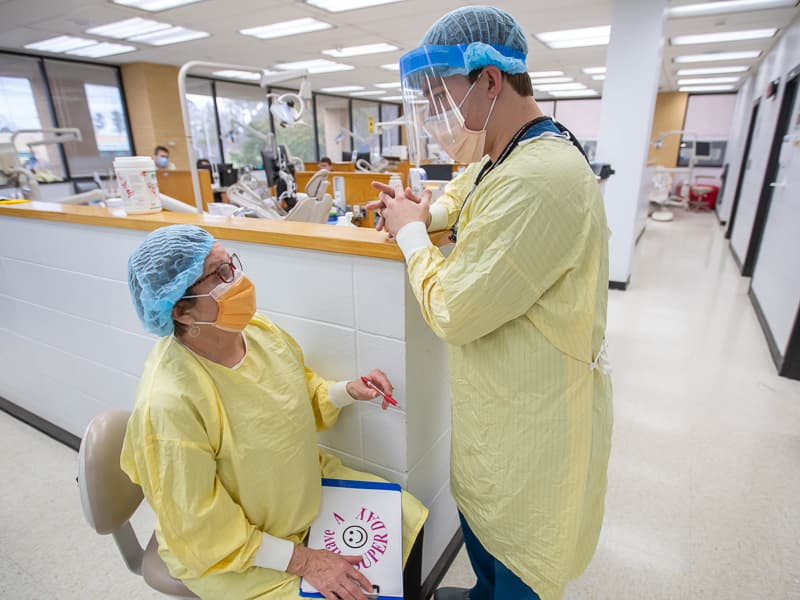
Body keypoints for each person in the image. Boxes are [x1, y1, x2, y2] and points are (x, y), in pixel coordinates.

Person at [366, 7, 613, 600]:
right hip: (496, 425)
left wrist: (410, 235)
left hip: (532, 440)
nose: (431, 116)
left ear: (490, 81)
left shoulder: (540, 177)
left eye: (437, 97)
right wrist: (429, 213)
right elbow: (467, 189)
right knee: (487, 568)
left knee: (517, 575)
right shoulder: (507, 152)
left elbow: (453, 309)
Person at [122, 224, 427, 600]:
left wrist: (348, 391)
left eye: (230, 264)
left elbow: (297, 395)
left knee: (407, 516)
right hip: (238, 552)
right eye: (219, 275)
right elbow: (200, 528)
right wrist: (305, 561)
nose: (237, 280)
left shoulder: (258, 332)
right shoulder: (169, 404)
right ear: (182, 311)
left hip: (302, 492)